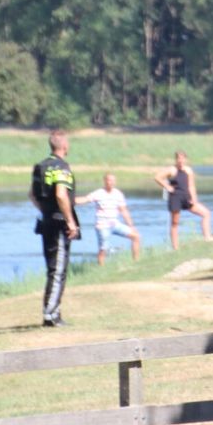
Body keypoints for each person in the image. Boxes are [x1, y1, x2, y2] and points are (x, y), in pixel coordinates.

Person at [30, 131, 80, 327]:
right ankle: (51, 315)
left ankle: (53, 311)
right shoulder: (62, 167)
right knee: (58, 269)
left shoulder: (40, 167)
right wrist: (70, 221)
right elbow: (61, 195)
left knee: (52, 268)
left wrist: (46, 211)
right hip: (59, 223)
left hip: (46, 221)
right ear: (64, 146)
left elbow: (32, 195)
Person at [76, 173, 140, 265]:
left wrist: (131, 226)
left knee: (136, 236)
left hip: (115, 224)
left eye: (113, 180)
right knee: (103, 249)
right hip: (102, 225)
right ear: (105, 181)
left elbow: (124, 211)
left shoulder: (118, 194)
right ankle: (101, 268)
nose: (111, 183)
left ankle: (136, 262)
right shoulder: (99, 193)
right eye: (109, 180)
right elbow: (85, 199)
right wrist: (70, 200)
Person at [155, 151, 213, 249]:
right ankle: (175, 247)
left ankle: (207, 237)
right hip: (175, 198)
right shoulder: (171, 169)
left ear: (185, 159)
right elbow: (157, 177)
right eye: (179, 158)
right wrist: (167, 186)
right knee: (175, 223)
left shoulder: (188, 170)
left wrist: (194, 199)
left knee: (206, 213)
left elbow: (191, 186)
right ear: (176, 159)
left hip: (186, 197)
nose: (181, 160)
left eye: (183, 158)